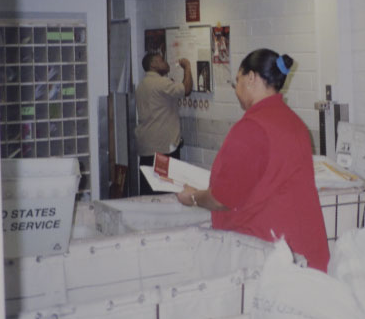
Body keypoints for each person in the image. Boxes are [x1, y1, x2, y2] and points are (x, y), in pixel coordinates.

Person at [176, 48, 330, 272]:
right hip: (302, 252)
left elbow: (223, 199)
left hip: (269, 257)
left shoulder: (252, 128)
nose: (236, 90)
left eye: (236, 81)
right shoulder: (294, 122)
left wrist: (192, 197)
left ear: (251, 78)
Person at [136, 52, 192, 195]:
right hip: (163, 149)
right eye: (161, 60)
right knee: (165, 191)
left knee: (149, 192)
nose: (165, 63)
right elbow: (186, 89)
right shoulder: (161, 83)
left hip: (146, 147)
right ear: (153, 64)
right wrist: (187, 67)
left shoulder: (142, 85)